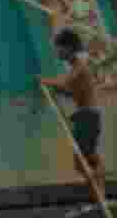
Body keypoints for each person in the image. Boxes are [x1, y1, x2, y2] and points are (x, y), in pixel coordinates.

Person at [40, 27, 105, 201]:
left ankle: (99, 188)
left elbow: (64, 82)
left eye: (58, 48)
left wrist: (44, 81)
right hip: (85, 115)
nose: (56, 52)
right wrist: (58, 91)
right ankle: (97, 185)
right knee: (83, 160)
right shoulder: (75, 65)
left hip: (89, 116)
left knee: (85, 159)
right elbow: (72, 90)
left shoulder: (80, 63)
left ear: (68, 47)